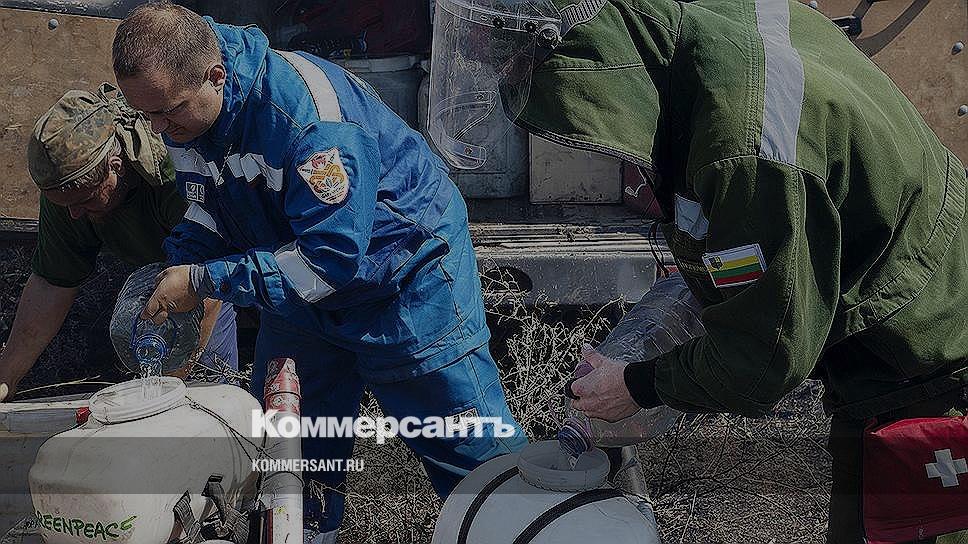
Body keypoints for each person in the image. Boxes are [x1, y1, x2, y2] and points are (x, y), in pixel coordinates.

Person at [429, 0, 968, 542]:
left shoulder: (745, 150)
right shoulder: (694, 30)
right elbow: (765, 247)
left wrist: (639, 385)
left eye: (522, 67)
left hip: (929, 358)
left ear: (582, 58)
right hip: (911, 307)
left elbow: (764, 358)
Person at [111, 3, 527, 541]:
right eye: (146, 116)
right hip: (296, 282)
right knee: (290, 448)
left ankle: (523, 527)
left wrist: (203, 282)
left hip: (403, 277)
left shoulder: (309, 122)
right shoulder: (185, 108)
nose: (159, 128)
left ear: (215, 76)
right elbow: (211, 205)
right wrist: (183, 260)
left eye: (168, 113)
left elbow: (327, 262)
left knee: (466, 448)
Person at [0, 86, 238, 400]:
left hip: (224, 267)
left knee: (209, 396)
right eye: (64, 204)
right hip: (155, 275)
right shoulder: (70, 192)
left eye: (85, 201)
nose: (74, 214)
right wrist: (6, 377)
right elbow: (51, 283)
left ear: (116, 166)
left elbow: (207, 282)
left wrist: (165, 392)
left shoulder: (175, 173)